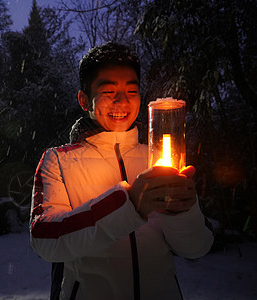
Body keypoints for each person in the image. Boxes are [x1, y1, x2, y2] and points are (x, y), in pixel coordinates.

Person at [29, 42, 214, 300]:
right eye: (108, 90)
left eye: (131, 90)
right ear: (84, 100)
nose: (122, 100)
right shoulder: (58, 161)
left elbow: (197, 248)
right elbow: (45, 239)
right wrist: (129, 204)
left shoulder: (159, 161)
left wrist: (183, 211)